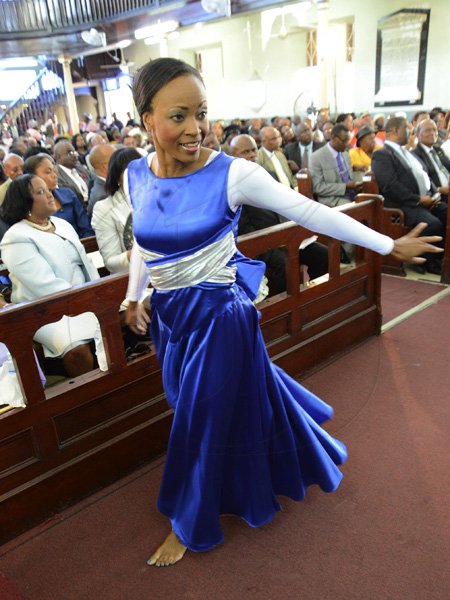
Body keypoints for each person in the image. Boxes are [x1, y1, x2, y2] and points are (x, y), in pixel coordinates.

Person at [124, 58, 442, 567]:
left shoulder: (234, 173)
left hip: (219, 319)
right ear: (147, 120)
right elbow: (144, 243)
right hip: (170, 319)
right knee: (193, 405)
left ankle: (190, 522)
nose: (195, 128)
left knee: (199, 420)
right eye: (179, 115)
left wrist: (385, 244)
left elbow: (311, 212)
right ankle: (288, 454)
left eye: (201, 114)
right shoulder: (134, 174)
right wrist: (133, 295)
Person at [0, 175, 104, 377]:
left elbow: (86, 264)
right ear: (25, 202)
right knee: (77, 349)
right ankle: (90, 400)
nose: (49, 194)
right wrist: (88, 300)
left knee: (130, 313)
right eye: (40, 192)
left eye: (47, 189)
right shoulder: (16, 237)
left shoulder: (61, 224)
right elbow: (44, 286)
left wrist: (99, 292)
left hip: (85, 297)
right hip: (44, 310)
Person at [371, 116, 447, 275]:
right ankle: (427, 261)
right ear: (395, 130)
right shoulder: (382, 154)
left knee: (447, 213)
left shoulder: (408, 152)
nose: (410, 131)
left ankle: (442, 256)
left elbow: (425, 174)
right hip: (402, 204)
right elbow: (390, 186)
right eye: (407, 128)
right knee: (432, 224)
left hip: (423, 200)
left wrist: (434, 194)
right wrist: (419, 200)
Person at [91, 147, 141, 273]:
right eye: (129, 172)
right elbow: (111, 262)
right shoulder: (104, 208)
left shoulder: (160, 195)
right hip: (134, 277)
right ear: (117, 177)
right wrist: (134, 255)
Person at [23, 154, 94, 239]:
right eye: (48, 172)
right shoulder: (31, 207)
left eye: (54, 171)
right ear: (32, 177)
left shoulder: (68, 194)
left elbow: (86, 228)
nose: (54, 175)